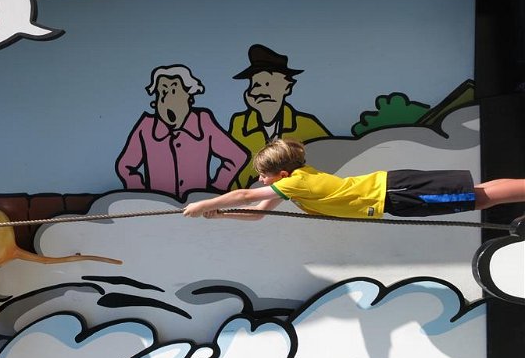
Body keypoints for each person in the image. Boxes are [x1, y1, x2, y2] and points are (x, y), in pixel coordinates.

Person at [183, 140, 525, 221]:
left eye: (264, 175)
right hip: (393, 191)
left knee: (479, 198)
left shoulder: (295, 184)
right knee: (479, 194)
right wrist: (221, 215)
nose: (260, 180)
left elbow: (245, 195)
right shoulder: (294, 185)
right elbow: (257, 213)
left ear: (282, 174)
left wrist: (204, 203)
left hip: (394, 193)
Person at [116, 64, 249, 199]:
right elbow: (125, 166)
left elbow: (236, 156)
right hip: (161, 206)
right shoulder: (146, 127)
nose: (167, 98)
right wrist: (144, 196)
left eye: (174, 90)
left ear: (188, 94)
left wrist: (215, 190)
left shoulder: (203, 122)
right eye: (163, 91)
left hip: (198, 204)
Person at [228, 44, 330, 189]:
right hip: (256, 193)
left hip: (296, 193)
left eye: (268, 84)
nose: (261, 92)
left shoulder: (305, 123)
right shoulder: (240, 124)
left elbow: (325, 158)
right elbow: (235, 166)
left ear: (287, 87)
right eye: (256, 85)